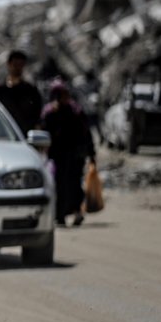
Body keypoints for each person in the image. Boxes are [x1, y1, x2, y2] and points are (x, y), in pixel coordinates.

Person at [41, 81, 96, 227]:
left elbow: (86, 133)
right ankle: (60, 216)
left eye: (65, 95)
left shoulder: (75, 112)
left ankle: (76, 211)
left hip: (75, 155)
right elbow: (44, 134)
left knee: (74, 184)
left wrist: (91, 154)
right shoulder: (50, 113)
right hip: (58, 156)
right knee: (60, 185)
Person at [0, 50, 44, 133]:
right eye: (15, 65)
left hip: (24, 135)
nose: (18, 68)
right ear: (9, 64)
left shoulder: (30, 90)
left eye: (21, 65)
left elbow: (37, 114)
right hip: (3, 135)